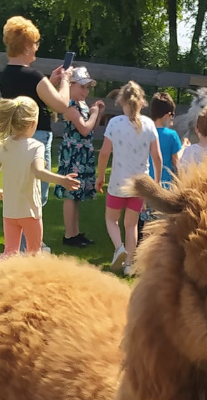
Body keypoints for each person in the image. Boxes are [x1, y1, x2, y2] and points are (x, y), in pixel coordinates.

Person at [0, 16, 76, 235]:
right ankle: (30, 247)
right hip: (37, 137)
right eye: (34, 43)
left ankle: (22, 244)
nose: (36, 48)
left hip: (14, 140)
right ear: (25, 46)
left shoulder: (6, 75)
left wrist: (50, 82)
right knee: (35, 197)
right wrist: (66, 80)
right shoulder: (33, 76)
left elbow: (30, 98)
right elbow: (61, 104)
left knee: (19, 193)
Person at [0, 97, 79, 256]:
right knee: (34, 253)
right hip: (30, 212)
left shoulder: (4, 145)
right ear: (33, 123)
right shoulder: (36, 147)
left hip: (9, 212)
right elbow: (39, 172)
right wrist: (62, 180)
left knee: (9, 252)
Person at [96, 81, 162, 277]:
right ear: (142, 102)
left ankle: (119, 247)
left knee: (111, 219)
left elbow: (104, 153)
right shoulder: (149, 124)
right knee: (131, 225)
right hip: (139, 185)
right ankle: (129, 264)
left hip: (117, 182)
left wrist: (100, 175)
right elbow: (157, 156)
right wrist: (156, 183)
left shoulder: (114, 123)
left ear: (121, 101)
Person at [55, 66, 104, 248]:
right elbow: (84, 128)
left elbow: (90, 127)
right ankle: (69, 235)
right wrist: (94, 113)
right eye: (82, 87)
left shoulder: (81, 105)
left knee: (77, 195)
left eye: (87, 87)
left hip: (82, 152)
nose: (85, 91)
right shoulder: (69, 105)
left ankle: (75, 233)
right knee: (71, 194)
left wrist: (95, 113)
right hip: (73, 153)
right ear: (71, 85)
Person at [149, 91, 184, 186]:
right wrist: (184, 148)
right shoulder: (172, 135)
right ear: (168, 115)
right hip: (165, 185)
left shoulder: (146, 132)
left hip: (146, 184)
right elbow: (177, 161)